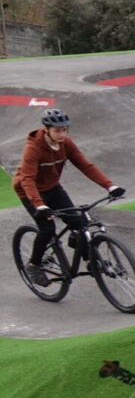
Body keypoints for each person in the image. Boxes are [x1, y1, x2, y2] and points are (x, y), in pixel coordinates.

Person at [12, 107, 124, 283]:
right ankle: (33, 265)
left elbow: (86, 165)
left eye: (65, 130)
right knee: (47, 229)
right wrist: (40, 205)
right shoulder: (33, 148)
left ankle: (89, 260)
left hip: (53, 188)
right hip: (30, 192)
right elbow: (27, 179)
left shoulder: (66, 143)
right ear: (46, 129)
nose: (62, 134)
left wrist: (110, 186)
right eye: (57, 131)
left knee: (80, 222)